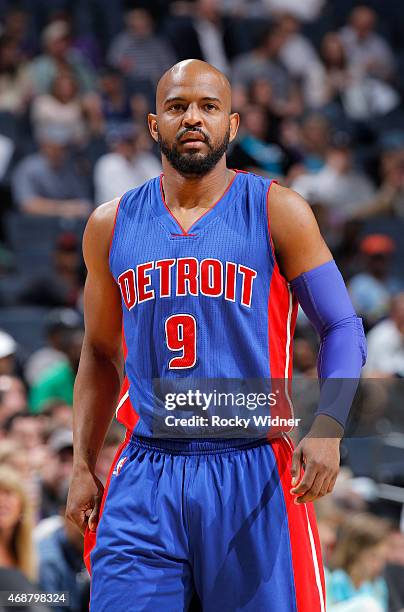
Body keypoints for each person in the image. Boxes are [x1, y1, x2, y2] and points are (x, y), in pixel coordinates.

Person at [66, 59, 366, 610]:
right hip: (147, 471)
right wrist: (83, 463)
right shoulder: (111, 224)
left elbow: (342, 324)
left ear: (233, 125)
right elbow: (100, 351)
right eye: (178, 107)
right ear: (154, 125)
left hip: (252, 466)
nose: (193, 118)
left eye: (208, 106)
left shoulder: (279, 210)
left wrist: (328, 425)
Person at [11, 125, 92, 218]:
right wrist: (64, 208)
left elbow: (84, 205)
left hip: (69, 227)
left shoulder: (73, 168)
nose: (59, 152)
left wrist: (73, 208)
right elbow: (27, 205)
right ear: (44, 146)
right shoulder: (28, 168)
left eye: (63, 148)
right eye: (55, 148)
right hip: (35, 226)